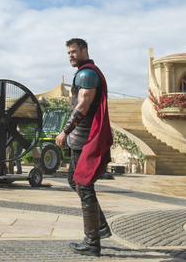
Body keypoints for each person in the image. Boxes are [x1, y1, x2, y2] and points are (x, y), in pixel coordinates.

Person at [55, 38, 113, 257]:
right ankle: (99, 227)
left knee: (83, 184)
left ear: (84, 50)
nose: (70, 55)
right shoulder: (84, 72)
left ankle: (92, 242)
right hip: (80, 138)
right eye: (68, 52)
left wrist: (65, 131)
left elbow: (83, 105)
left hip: (85, 137)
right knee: (74, 180)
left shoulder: (87, 74)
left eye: (74, 51)